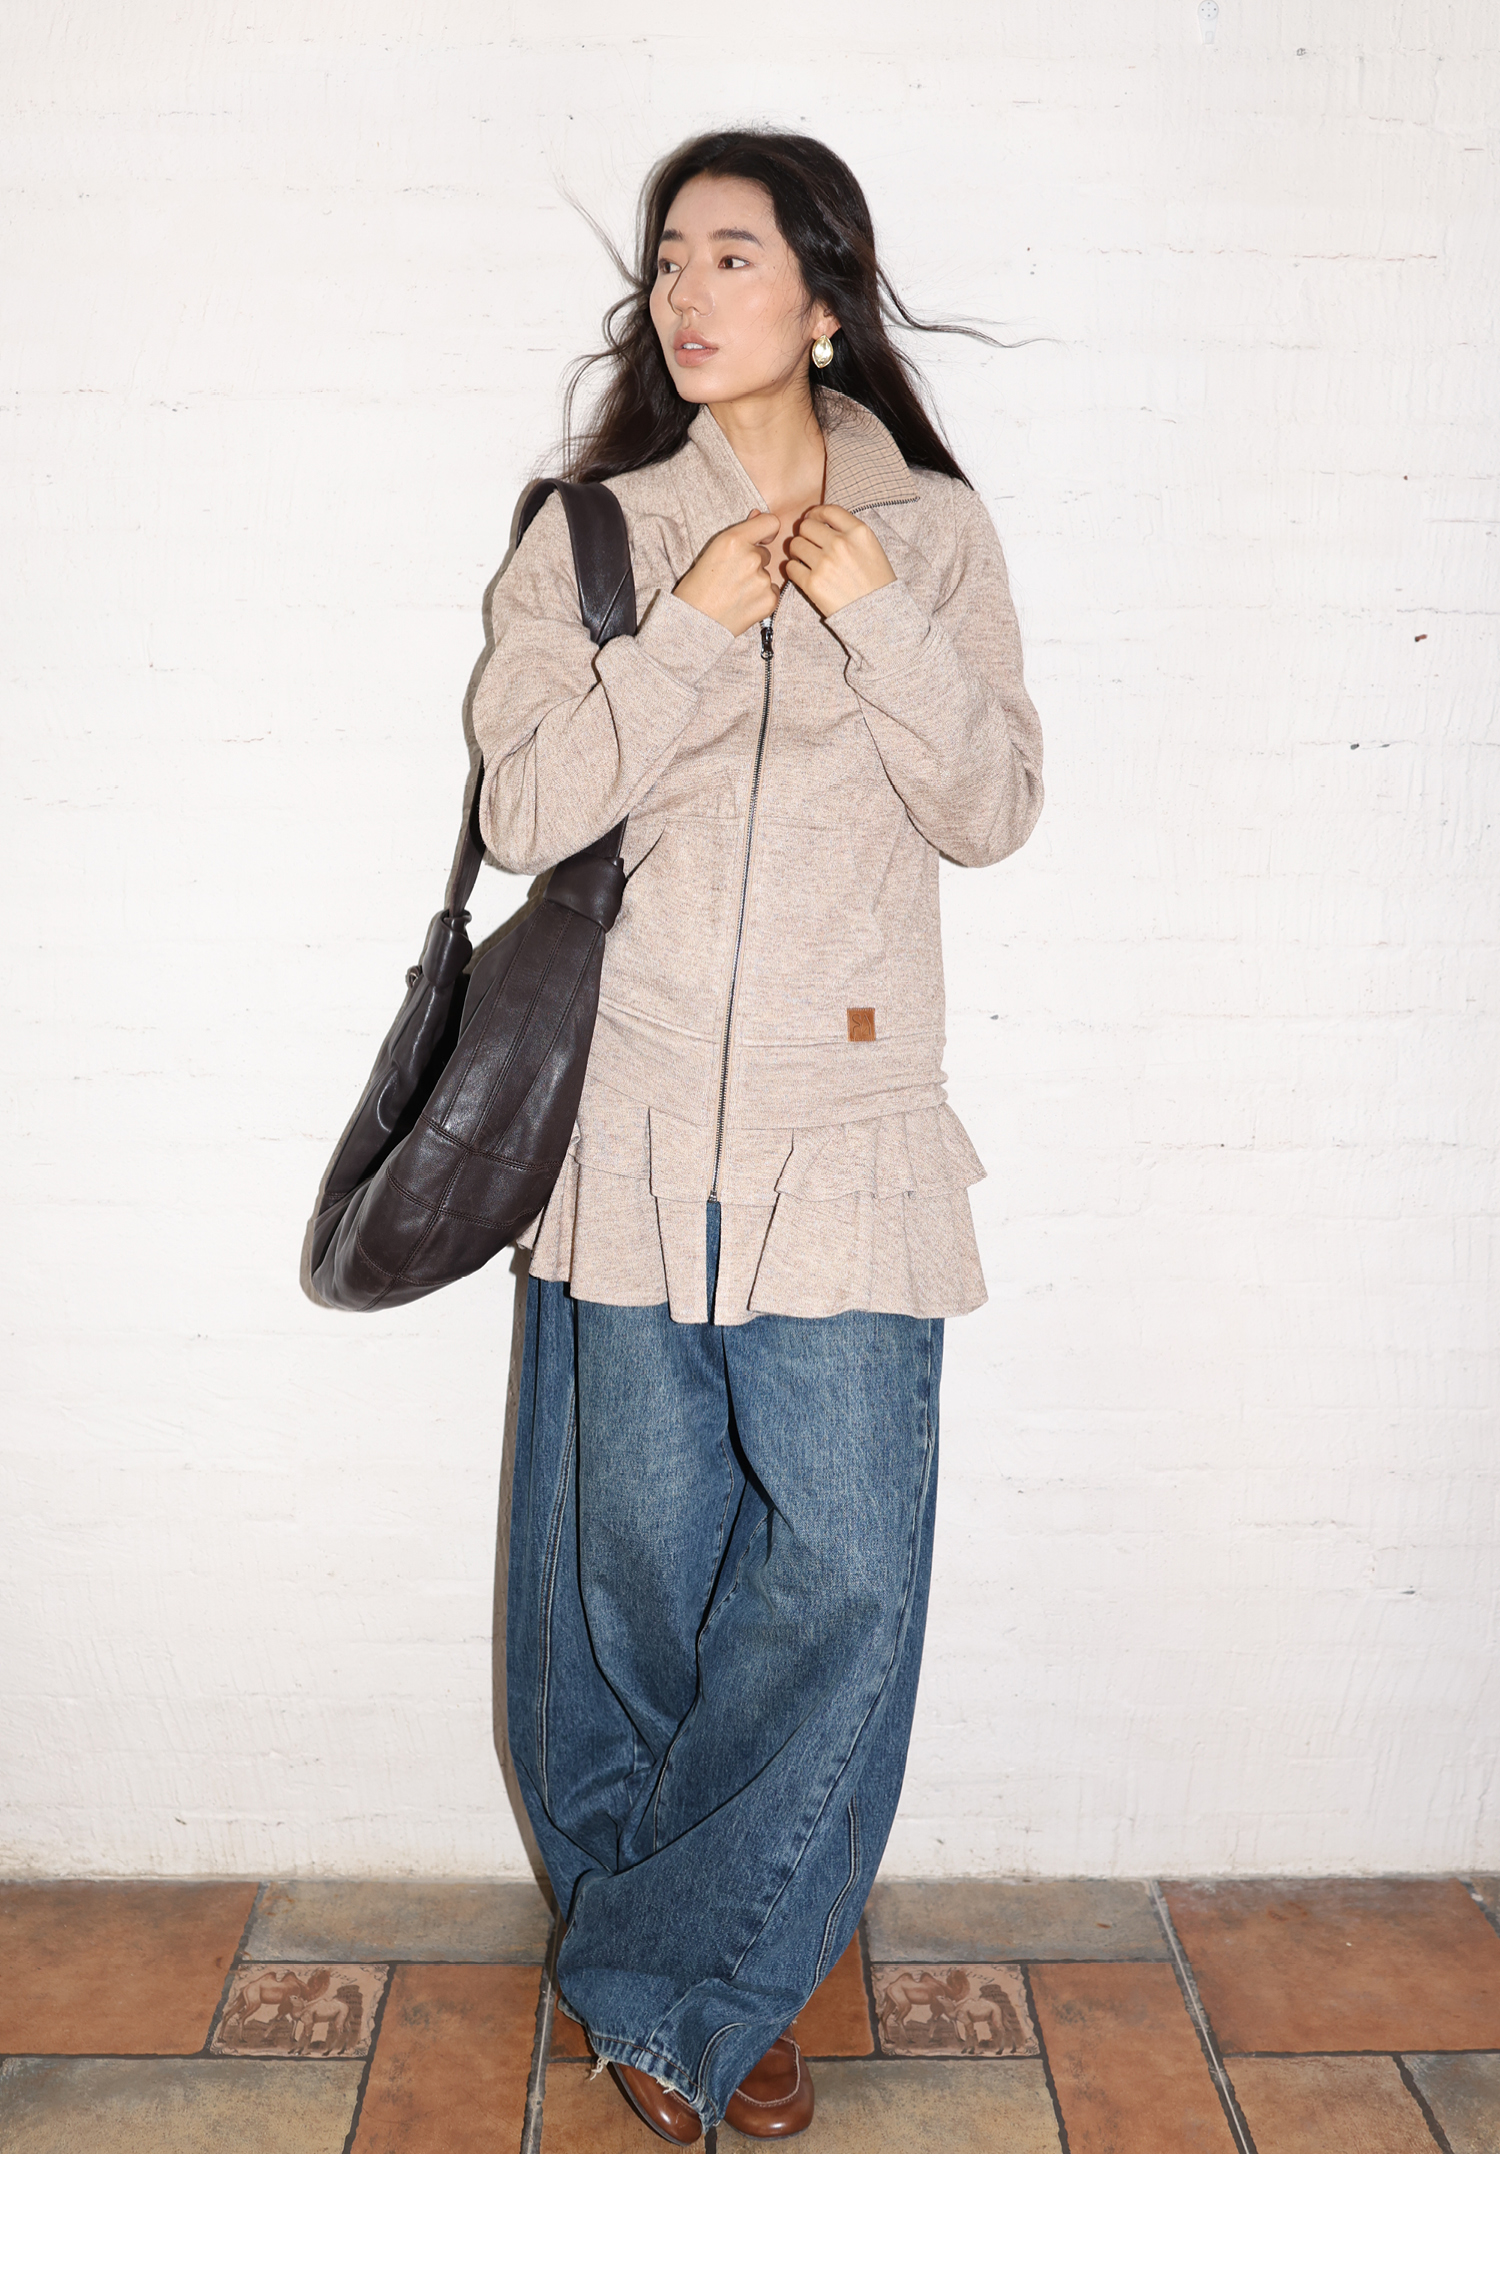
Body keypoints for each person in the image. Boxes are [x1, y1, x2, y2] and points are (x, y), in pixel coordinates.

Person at [472, 127, 1043, 2144]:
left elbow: (992, 810)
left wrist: (880, 619)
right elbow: (528, 806)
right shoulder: (596, 536)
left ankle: (696, 1972)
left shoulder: (934, 535)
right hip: (627, 1130)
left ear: (823, 297)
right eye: (667, 260)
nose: (685, 294)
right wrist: (697, 626)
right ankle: (676, 1953)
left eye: (731, 255)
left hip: (850, 1135)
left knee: (847, 1578)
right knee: (622, 1585)